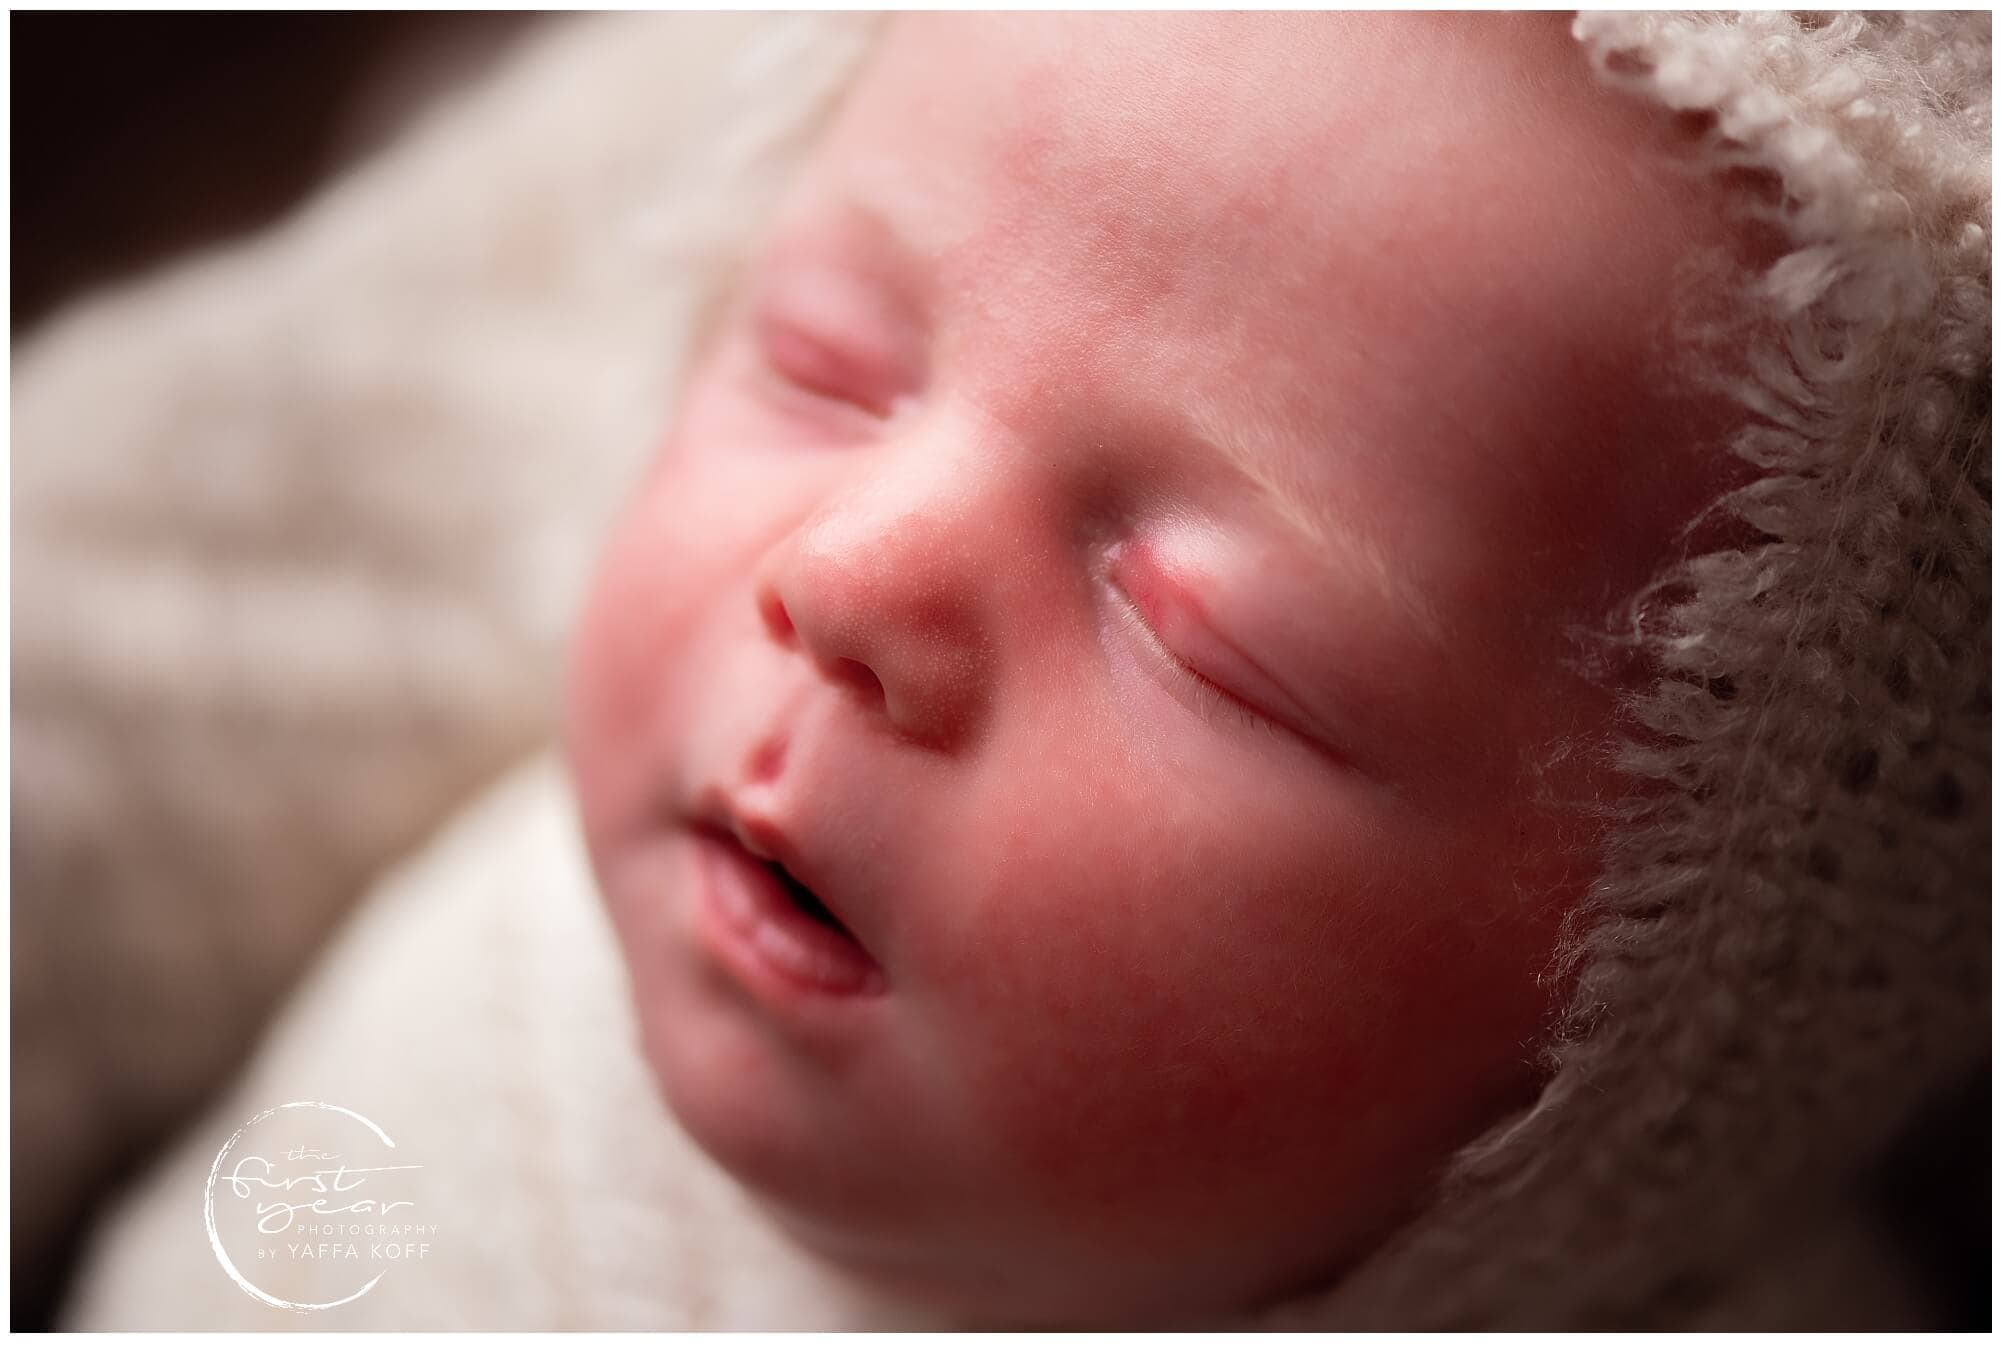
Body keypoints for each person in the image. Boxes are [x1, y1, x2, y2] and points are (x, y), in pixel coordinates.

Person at [55, 11, 1988, 1331]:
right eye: (822, 363)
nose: (835, 576)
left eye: (1205, 641)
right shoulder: (428, 728)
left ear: (1659, 1024)